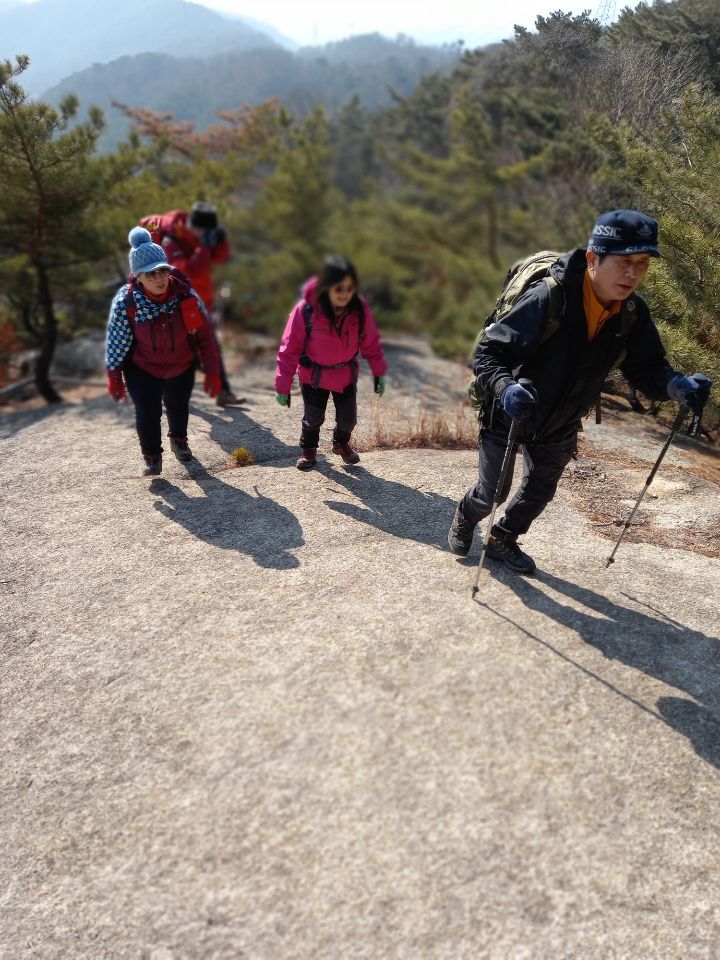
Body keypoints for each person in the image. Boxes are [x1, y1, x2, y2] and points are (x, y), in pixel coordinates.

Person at [448, 210, 713, 573]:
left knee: (539, 492)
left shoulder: (631, 312)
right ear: (592, 258)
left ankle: (502, 539)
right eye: (623, 262)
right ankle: (466, 514)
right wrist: (506, 387)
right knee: (491, 493)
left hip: (562, 419)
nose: (633, 273)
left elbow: (647, 367)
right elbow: (490, 353)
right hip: (510, 411)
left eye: (642, 263)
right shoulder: (548, 297)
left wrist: (676, 386)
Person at [105, 227, 222, 476]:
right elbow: (116, 341)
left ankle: (179, 440)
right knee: (148, 412)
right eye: (151, 273)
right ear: (138, 276)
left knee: (178, 406)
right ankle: (152, 457)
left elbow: (205, 336)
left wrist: (213, 370)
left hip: (181, 363)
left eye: (163, 270)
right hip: (142, 366)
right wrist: (114, 375)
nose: (159, 278)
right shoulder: (126, 303)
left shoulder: (185, 296)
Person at [274, 255, 388, 470]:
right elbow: (289, 349)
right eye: (339, 288)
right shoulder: (305, 310)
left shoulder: (359, 308)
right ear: (326, 286)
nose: (345, 294)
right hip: (313, 376)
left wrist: (379, 371)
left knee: (348, 420)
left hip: (345, 374)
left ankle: (341, 443)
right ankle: (309, 450)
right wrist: (283, 385)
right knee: (313, 418)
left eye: (350, 288)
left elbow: (371, 341)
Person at [139, 202, 242, 407]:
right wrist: (204, 246)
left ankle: (223, 391)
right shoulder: (172, 241)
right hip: (179, 305)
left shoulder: (200, 237)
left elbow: (220, 258)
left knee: (209, 346)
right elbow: (186, 272)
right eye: (205, 231)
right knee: (181, 350)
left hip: (202, 301)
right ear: (194, 227)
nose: (207, 235)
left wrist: (220, 242)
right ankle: (166, 395)